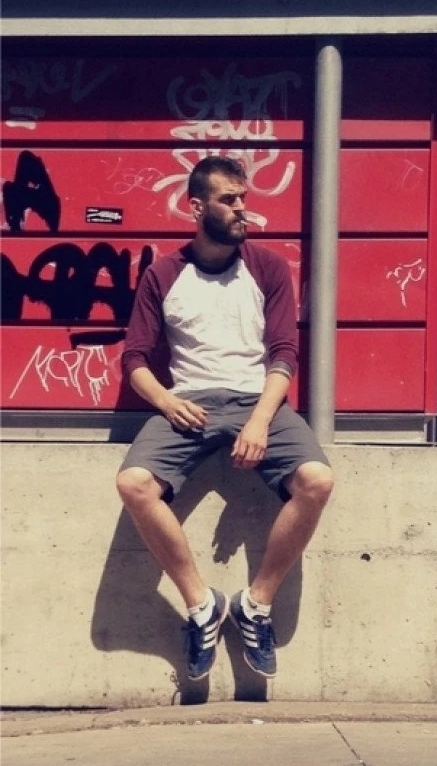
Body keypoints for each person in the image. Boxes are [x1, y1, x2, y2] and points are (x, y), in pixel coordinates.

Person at [116, 155, 333, 681]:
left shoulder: (267, 267)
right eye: (229, 200)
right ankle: (201, 606)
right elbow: (135, 360)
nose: (242, 210)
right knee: (133, 484)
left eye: (244, 199)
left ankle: (255, 605)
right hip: (188, 404)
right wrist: (166, 401)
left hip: (258, 400)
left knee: (317, 481)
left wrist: (259, 420)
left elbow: (284, 353)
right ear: (197, 207)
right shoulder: (164, 274)